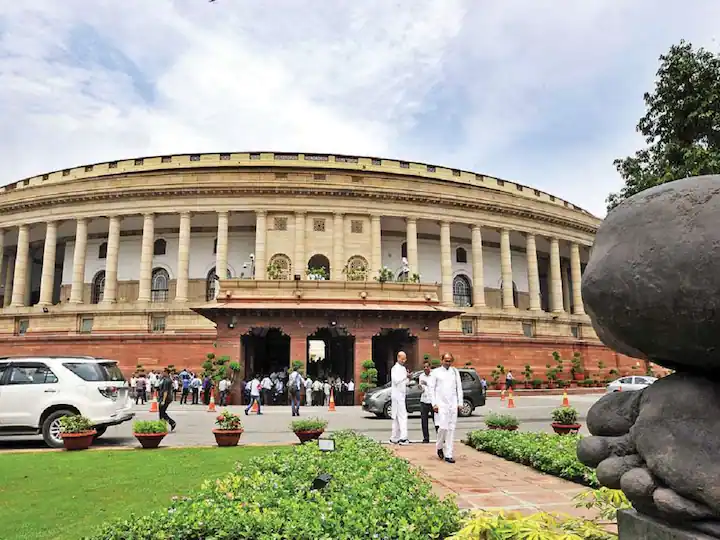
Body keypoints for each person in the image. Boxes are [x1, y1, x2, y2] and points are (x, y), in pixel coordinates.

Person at [431, 352, 463, 463]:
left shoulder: (455, 372)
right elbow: (432, 389)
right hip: (441, 404)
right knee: (443, 427)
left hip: (453, 404)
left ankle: (449, 454)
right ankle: (439, 446)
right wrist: (434, 403)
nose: (448, 363)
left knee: (451, 429)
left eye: (450, 361)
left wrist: (460, 403)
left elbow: (459, 388)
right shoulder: (436, 372)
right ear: (442, 360)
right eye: (446, 360)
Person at [390, 351, 410, 445]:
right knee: (402, 416)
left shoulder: (403, 368)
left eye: (405, 359)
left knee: (398, 417)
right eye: (402, 359)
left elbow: (404, 382)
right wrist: (405, 376)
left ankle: (394, 437)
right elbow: (396, 380)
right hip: (397, 395)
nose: (404, 360)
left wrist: (408, 379)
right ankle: (403, 437)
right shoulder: (395, 368)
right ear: (398, 358)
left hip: (401, 395)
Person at [419, 360, 437, 443]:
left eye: (427, 367)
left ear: (430, 367)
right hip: (424, 400)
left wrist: (427, 384)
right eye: (424, 367)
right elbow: (422, 388)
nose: (426, 368)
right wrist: (420, 387)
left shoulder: (434, 375)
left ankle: (440, 437)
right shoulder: (421, 376)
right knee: (424, 421)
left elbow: (434, 387)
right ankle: (426, 438)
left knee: (436, 420)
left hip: (433, 401)